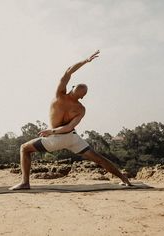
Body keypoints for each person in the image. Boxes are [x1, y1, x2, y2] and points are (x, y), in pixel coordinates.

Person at [10, 50, 131, 190]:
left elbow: (68, 72)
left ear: (72, 88)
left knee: (24, 149)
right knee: (98, 158)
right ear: (82, 96)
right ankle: (124, 178)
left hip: (56, 138)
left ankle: (25, 182)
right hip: (72, 138)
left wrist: (85, 60)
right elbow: (69, 127)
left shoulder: (59, 95)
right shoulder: (81, 109)